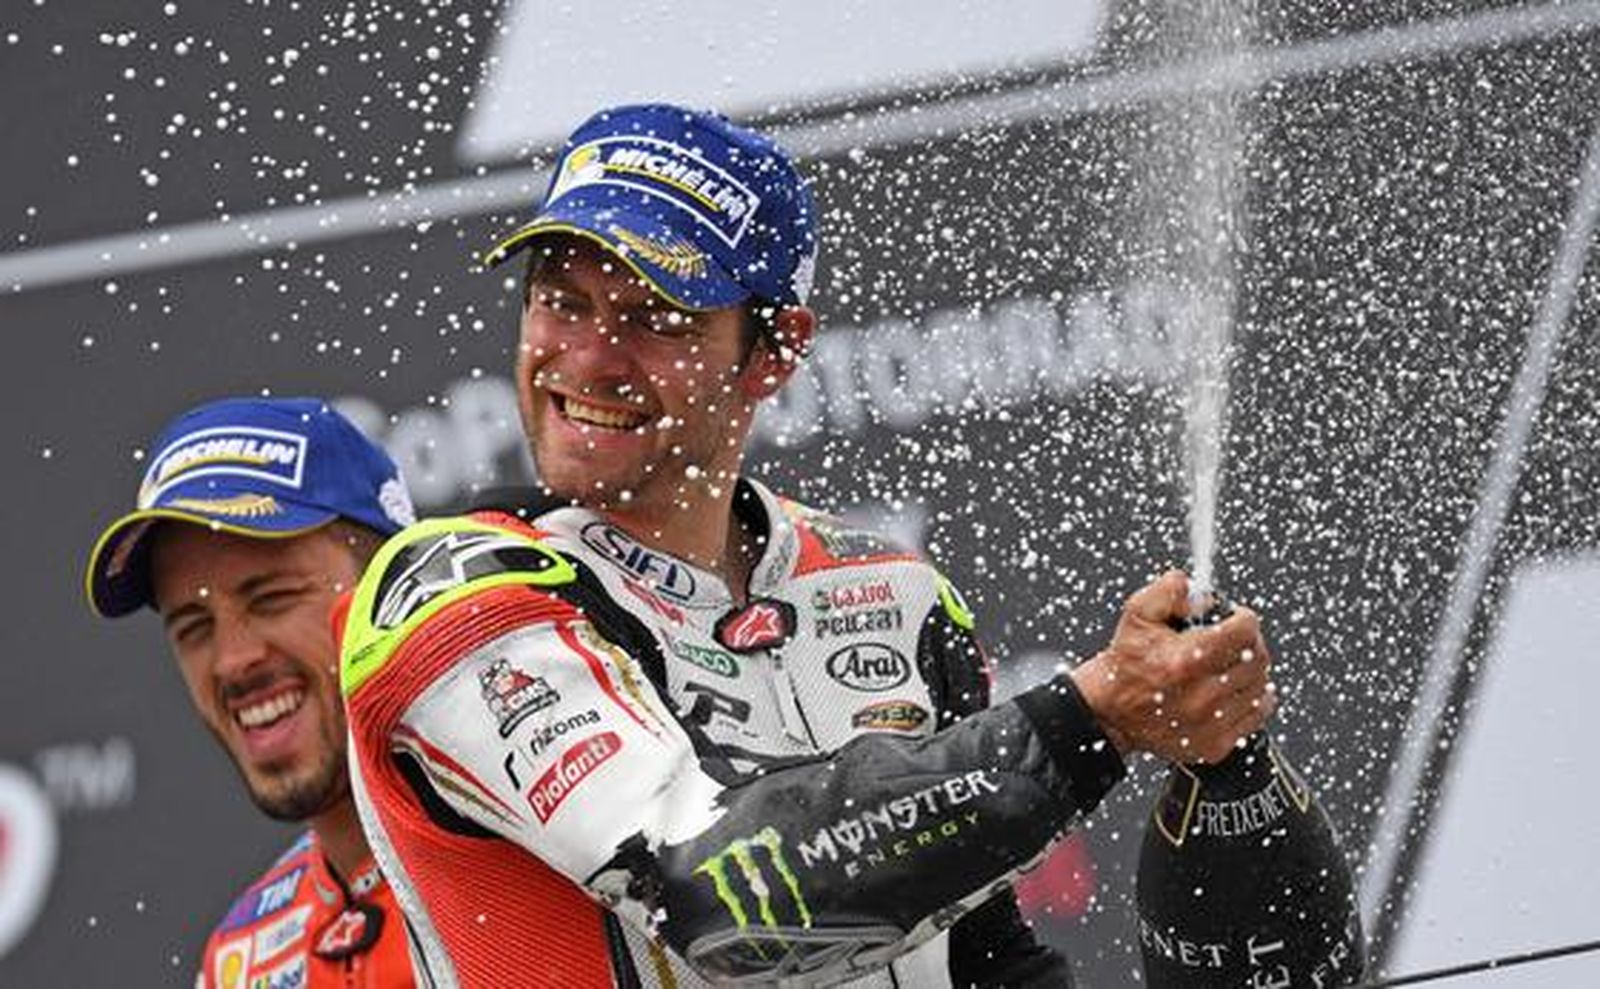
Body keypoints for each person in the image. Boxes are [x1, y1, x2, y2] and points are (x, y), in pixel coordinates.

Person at [337, 103, 1276, 987]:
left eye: (655, 317)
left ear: (775, 350)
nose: (588, 357)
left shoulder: (896, 591)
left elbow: (980, 959)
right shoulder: (452, 595)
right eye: (562, 301)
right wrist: (1098, 715)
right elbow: (715, 902)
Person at [84, 397, 420, 989]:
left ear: (393, 589)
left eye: (272, 599)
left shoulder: (551, 848)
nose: (233, 660)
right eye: (193, 626)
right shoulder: (240, 958)